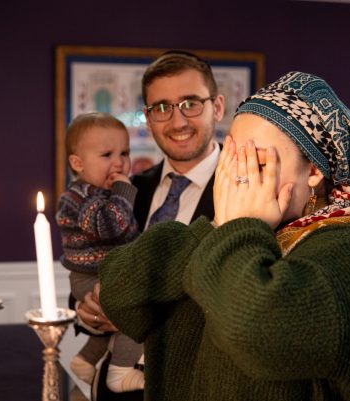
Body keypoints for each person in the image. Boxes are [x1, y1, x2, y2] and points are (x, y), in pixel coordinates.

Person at [98, 71, 350, 401]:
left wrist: (239, 227)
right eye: (232, 161)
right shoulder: (229, 229)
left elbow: (253, 329)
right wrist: (217, 225)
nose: (237, 181)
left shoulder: (338, 246)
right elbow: (118, 295)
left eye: (254, 162)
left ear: (314, 170)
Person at [76, 50, 225, 400]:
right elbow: (90, 262)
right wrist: (86, 309)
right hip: (113, 386)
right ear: (147, 116)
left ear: (217, 107)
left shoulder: (247, 194)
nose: (177, 122)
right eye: (161, 107)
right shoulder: (127, 190)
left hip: (192, 386)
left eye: (190, 103)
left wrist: (134, 313)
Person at [55, 112, 144, 393]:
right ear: (77, 163)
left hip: (100, 274)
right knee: (135, 307)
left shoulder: (103, 195)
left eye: (125, 153)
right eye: (107, 154)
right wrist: (124, 192)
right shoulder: (80, 197)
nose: (119, 163)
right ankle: (120, 371)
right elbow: (108, 226)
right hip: (88, 277)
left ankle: (85, 358)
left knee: (116, 316)